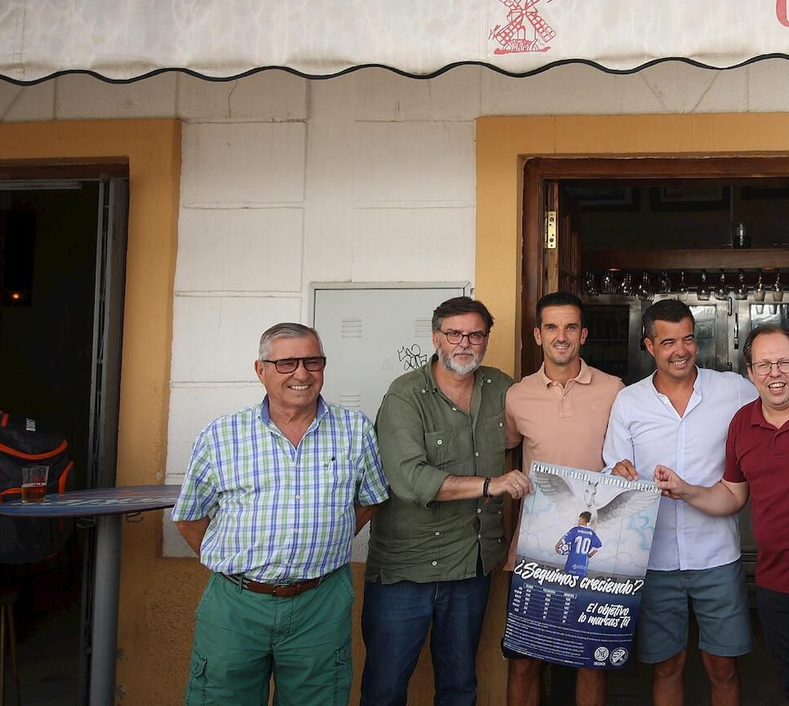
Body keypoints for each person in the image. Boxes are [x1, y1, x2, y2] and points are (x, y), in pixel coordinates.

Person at [605, 300, 789, 706]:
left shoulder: (733, 389)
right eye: (668, 342)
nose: (680, 350)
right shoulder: (629, 402)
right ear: (649, 346)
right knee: (667, 665)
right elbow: (615, 470)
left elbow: (785, 389)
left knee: (723, 666)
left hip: (716, 556)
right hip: (654, 557)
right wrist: (620, 477)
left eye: (688, 338)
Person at [653, 324, 789, 706]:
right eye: (764, 365)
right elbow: (732, 495)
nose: (775, 373)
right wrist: (686, 490)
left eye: (784, 362)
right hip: (775, 588)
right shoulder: (742, 423)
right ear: (750, 373)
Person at [173, 322, 388, 705]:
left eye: (313, 361)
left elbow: (370, 499)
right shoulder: (222, 436)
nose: (302, 374)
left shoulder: (355, 430)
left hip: (320, 602)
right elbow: (189, 516)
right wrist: (234, 562)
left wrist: (324, 543)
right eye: (287, 363)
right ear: (261, 370)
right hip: (236, 603)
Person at [362, 296, 529, 706]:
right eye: (454, 333)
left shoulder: (502, 388)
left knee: (459, 688)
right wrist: (492, 484)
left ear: (486, 340)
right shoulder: (405, 395)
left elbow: (543, 434)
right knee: (385, 688)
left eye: (475, 334)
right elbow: (410, 480)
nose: (464, 343)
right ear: (436, 337)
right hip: (406, 569)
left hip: (472, 565)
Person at [504, 290, 624, 706]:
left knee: (590, 657)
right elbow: (502, 453)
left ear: (583, 334)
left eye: (570, 327)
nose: (561, 336)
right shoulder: (515, 396)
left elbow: (626, 455)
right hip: (534, 544)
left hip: (597, 548)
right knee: (524, 658)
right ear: (537, 335)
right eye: (552, 327)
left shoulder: (614, 389)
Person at [557, 512, 602, 577]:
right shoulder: (591, 533)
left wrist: (557, 546)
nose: (578, 520)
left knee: (568, 583)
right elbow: (598, 546)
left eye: (579, 519)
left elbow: (564, 540)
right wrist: (590, 555)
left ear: (583, 519)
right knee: (579, 585)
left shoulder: (575, 530)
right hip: (582, 566)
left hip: (572, 563)